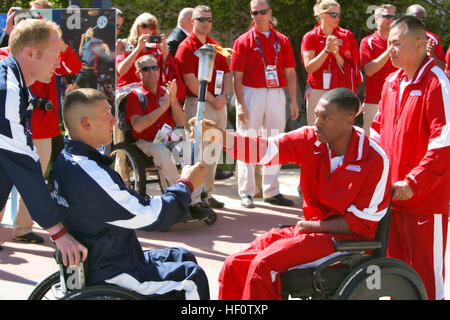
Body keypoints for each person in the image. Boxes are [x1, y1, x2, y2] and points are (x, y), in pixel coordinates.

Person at [189, 87, 391, 300]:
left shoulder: (374, 159)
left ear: (350, 119)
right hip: (310, 231)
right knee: (234, 264)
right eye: (316, 115)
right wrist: (220, 136)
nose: (317, 123)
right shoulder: (311, 138)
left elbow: (360, 224)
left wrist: (312, 226)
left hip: (347, 242)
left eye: (326, 117)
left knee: (264, 266)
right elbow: (265, 150)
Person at [52, 88, 209, 299]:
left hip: (106, 255)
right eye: (106, 114)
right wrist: (186, 185)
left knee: (182, 256)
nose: (114, 121)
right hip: (111, 271)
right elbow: (148, 216)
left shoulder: (67, 159)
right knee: (192, 278)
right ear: (86, 124)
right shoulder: (89, 173)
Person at [371, 16, 450, 300]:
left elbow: (444, 143)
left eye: (396, 44)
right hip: (393, 198)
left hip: (424, 199)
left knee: (428, 279)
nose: (390, 49)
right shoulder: (391, 81)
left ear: (420, 44)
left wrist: (414, 182)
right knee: (397, 276)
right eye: (389, 43)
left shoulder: (437, 82)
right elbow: (378, 133)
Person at [0, 18, 87, 264]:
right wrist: (58, 232)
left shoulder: (15, 82)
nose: (58, 62)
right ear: (30, 53)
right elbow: (26, 167)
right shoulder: (8, 92)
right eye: (53, 55)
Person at [230, 0, 298, 208]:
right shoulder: (243, 40)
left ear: (270, 13)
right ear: (251, 14)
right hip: (252, 93)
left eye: (262, 11)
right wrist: (240, 105)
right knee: (247, 141)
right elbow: (236, 77)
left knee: (275, 140)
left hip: (277, 92)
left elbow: (290, 72)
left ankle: (271, 190)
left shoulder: (282, 40)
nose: (258, 15)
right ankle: (247, 191)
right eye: (254, 12)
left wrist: (293, 100)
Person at [125, 55, 206, 219]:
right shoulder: (134, 96)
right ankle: (176, 200)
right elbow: (138, 126)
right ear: (138, 73)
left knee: (188, 150)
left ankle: (195, 200)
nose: (151, 72)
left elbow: (181, 120)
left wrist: (173, 100)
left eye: (154, 67)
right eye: (146, 69)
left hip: (167, 138)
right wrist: (162, 109)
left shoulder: (165, 91)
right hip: (144, 142)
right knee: (165, 155)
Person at [175, 5, 231, 211]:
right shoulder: (186, 46)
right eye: (201, 19)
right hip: (198, 104)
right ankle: (195, 197)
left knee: (213, 153)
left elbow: (227, 74)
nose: (206, 23)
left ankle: (208, 193)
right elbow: (190, 81)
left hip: (218, 104)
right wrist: (211, 99)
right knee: (197, 152)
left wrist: (224, 96)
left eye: (209, 19)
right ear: (193, 22)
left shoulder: (216, 45)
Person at [301, 0, 360, 126]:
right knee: (316, 130)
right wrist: (326, 50)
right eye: (333, 14)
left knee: (337, 130)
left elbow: (351, 66)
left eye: (339, 14)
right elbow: (309, 68)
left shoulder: (346, 35)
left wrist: (336, 53)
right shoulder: (310, 37)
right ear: (322, 14)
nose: (337, 17)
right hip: (317, 89)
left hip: (338, 90)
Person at [359, 4, 398, 133]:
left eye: (393, 17)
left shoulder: (401, 41)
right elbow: (369, 70)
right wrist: (389, 50)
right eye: (386, 16)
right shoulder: (367, 41)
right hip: (374, 101)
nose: (390, 20)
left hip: (397, 99)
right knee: (371, 144)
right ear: (376, 19)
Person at [405, 4, 446, 71]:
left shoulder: (432, 39)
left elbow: (444, 67)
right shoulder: (398, 38)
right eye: (417, 19)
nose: (421, 22)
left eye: (423, 19)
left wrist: (432, 56)